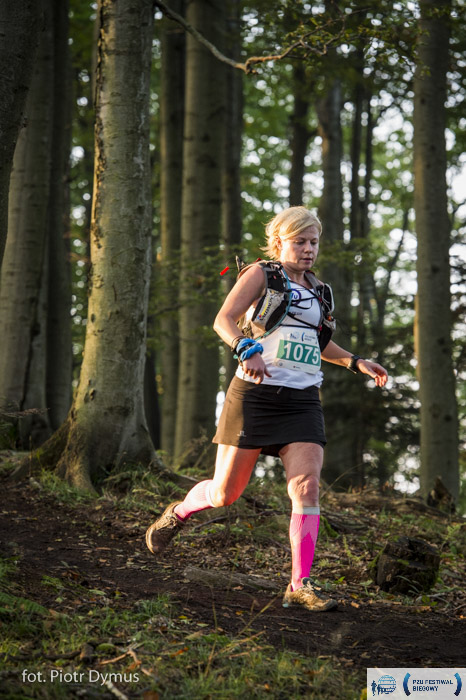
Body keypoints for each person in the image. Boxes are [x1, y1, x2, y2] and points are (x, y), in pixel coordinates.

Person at [146, 206, 388, 612]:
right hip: (255, 396)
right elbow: (224, 319)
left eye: (314, 242)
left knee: (306, 486)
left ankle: (300, 583)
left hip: (302, 400)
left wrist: (355, 361)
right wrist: (246, 348)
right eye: (300, 241)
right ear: (279, 242)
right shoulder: (262, 274)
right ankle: (179, 512)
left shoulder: (320, 290)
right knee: (225, 493)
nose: (309, 249)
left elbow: (317, 342)